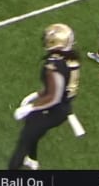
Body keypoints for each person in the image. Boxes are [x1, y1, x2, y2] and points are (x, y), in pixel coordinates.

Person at [8, 23, 81, 170]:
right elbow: (60, 87)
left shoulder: (54, 65)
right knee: (32, 128)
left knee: (24, 141)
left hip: (54, 109)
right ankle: (32, 160)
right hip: (62, 106)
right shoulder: (71, 58)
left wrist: (29, 107)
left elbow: (54, 97)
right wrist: (36, 94)